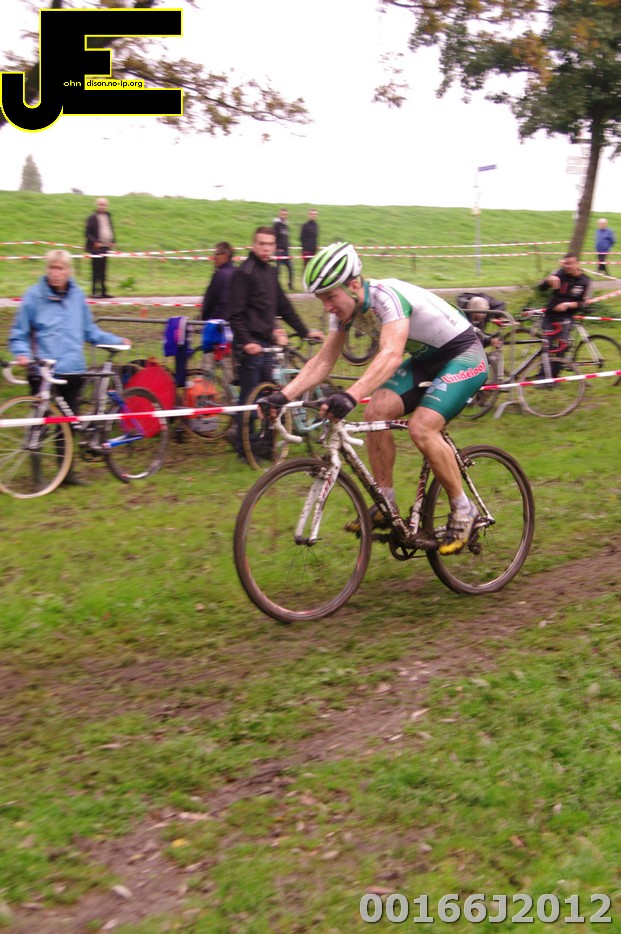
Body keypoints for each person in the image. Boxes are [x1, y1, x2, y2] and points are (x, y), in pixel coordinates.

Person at [260, 241, 489, 556]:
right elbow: (323, 361)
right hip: (425, 359)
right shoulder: (344, 311)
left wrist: (351, 396)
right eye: (321, 299)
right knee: (376, 412)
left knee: (422, 427)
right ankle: (386, 503)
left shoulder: (387, 297)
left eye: (330, 297)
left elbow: (391, 354)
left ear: (354, 285)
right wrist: (282, 396)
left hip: (463, 355)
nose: (326, 307)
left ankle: (464, 510)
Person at [8, 249, 128, 486]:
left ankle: (67, 474)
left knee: (68, 425)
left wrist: (116, 340)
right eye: (52, 268)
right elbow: (19, 333)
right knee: (39, 425)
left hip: (73, 370)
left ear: (68, 271)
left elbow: (89, 331)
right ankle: (38, 477)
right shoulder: (33, 296)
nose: (55, 273)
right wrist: (22, 354)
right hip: (43, 372)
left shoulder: (77, 296)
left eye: (60, 268)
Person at [227, 226, 324, 457]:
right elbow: (234, 314)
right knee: (249, 400)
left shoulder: (270, 272)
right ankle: (244, 448)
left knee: (271, 398)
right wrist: (246, 343)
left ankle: (266, 446)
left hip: (268, 345)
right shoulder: (244, 273)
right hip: (250, 347)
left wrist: (304, 331)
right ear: (253, 245)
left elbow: (284, 306)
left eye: (270, 244)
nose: (266, 248)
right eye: (262, 243)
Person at [538, 252, 591, 370]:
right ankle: (543, 375)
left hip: (566, 316)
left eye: (571, 263)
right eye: (566, 264)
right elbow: (541, 287)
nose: (568, 266)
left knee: (562, 346)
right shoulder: (559, 273)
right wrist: (549, 279)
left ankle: (555, 374)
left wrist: (568, 305)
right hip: (550, 315)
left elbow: (584, 303)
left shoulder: (586, 281)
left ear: (577, 264)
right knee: (547, 345)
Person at [85, 197, 116, 298]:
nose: (102, 206)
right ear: (97, 205)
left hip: (105, 247)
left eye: (104, 204)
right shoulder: (92, 217)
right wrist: (94, 242)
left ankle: (103, 292)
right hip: (96, 248)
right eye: (100, 204)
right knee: (96, 271)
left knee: (103, 271)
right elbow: (87, 233)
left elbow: (110, 229)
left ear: (107, 206)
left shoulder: (108, 216)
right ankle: (94, 292)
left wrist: (113, 241)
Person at [200, 241, 235, 321]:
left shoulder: (219, 275)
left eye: (216, 254)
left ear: (225, 256)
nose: (214, 258)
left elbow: (208, 302)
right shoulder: (239, 273)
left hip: (217, 322)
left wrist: (205, 319)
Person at [273, 208, 294, 290]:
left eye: (285, 214)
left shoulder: (286, 225)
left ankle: (290, 285)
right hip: (279, 251)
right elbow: (274, 237)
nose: (284, 216)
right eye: (282, 214)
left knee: (291, 269)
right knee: (278, 271)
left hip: (286, 252)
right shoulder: (277, 225)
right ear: (279, 214)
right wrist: (276, 248)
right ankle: (276, 287)